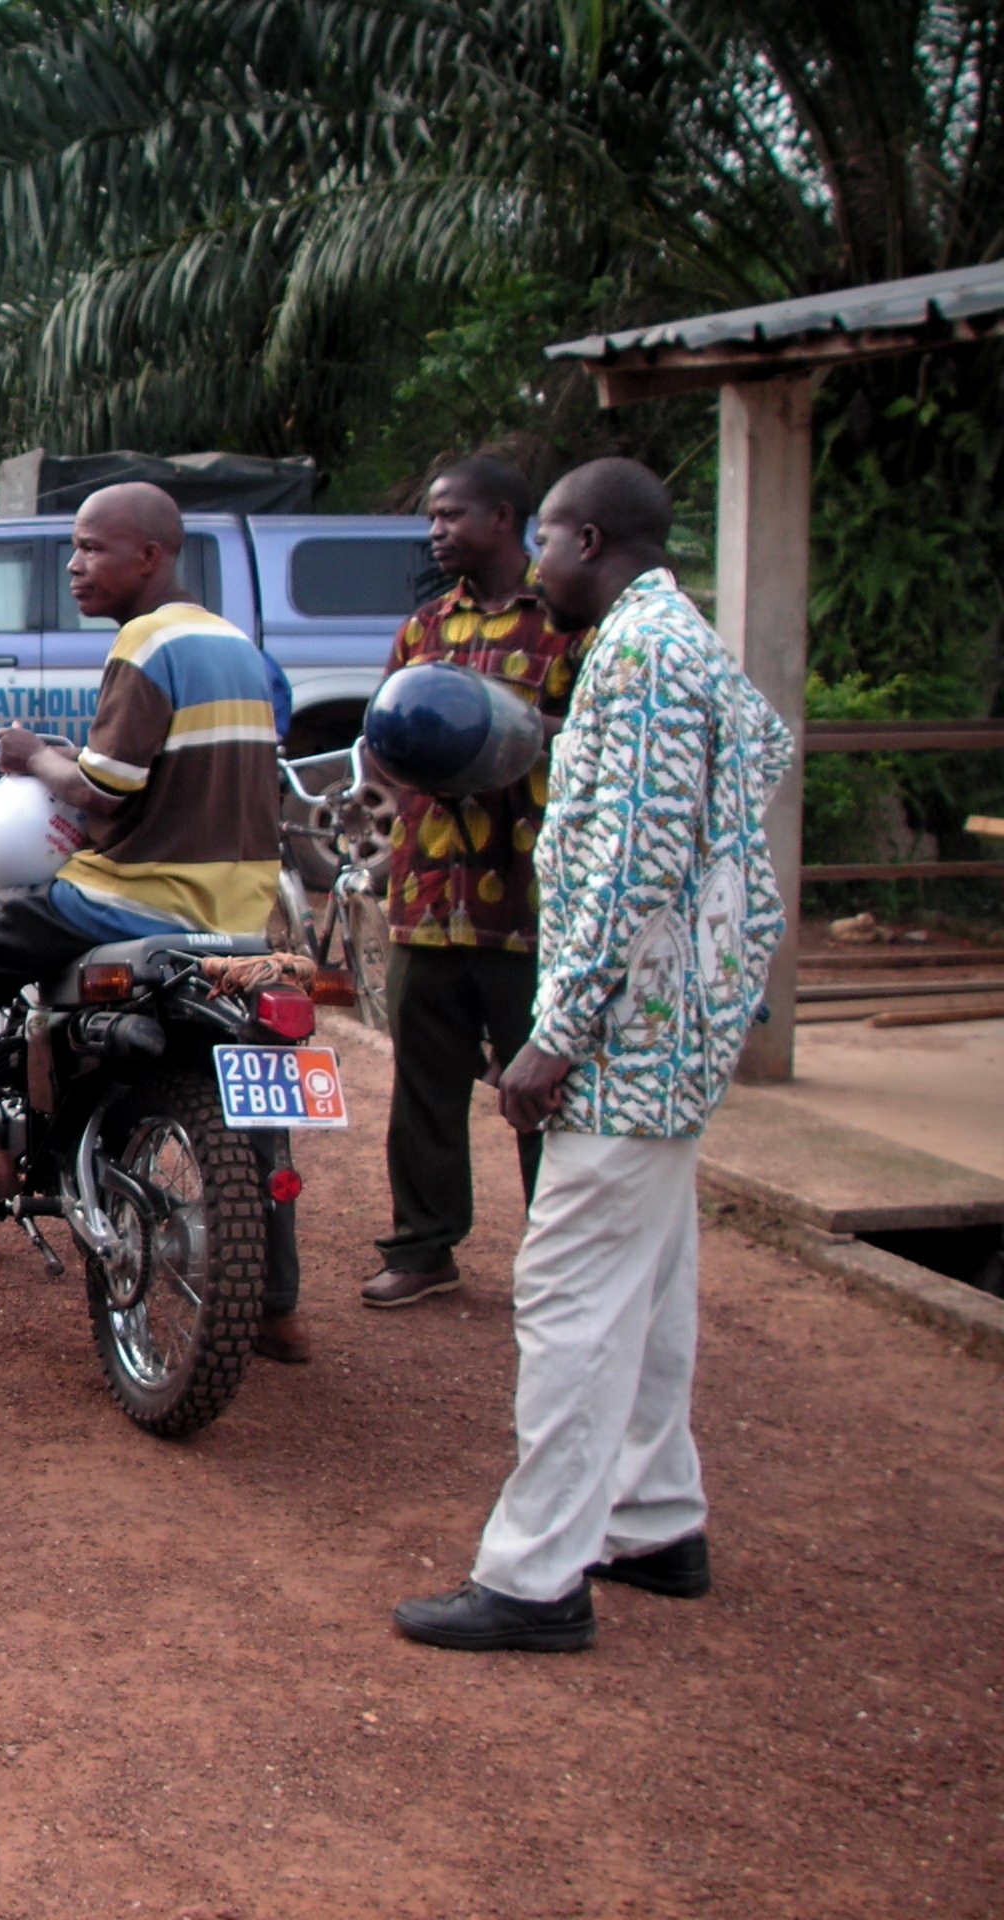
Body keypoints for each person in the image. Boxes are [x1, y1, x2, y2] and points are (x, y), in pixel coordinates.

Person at [395, 458, 792, 1653]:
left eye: (549, 539)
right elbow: (764, 749)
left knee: (568, 1294)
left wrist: (554, 1035)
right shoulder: (678, 643)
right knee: (650, 1282)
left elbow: (633, 864)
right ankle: (652, 1520)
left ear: (583, 540)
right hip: (676, 1022)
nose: (540, 563)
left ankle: (535, 1578)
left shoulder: (637, 657)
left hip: (632, 1036)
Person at [0, 483, 303, 1357]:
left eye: (92, 548)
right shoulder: (232, 642)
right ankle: (275, 1302)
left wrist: (31, 757)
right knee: (251, 1086)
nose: (76, 566)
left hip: (137, 895)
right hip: (238, 910)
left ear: (150, 556)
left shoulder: (148, 641)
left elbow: (106, 790)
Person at [361, 456, 585, 1310]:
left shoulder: (566, 623)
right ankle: (423, 1247)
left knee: (544, 1089)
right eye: (432, 517)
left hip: (527, 902)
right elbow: (383, 737)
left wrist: (506, 729)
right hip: (427, 898)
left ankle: (559, 1260)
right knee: (425, 1083)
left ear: (503, 518)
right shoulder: (424, 629)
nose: (436, 531)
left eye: (451, 515)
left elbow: (598, 736)